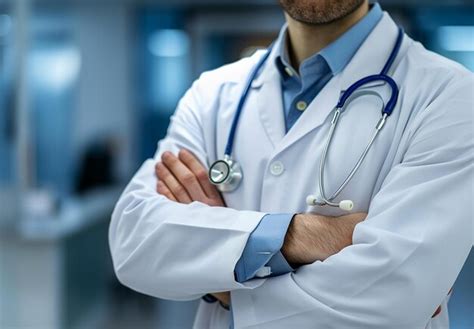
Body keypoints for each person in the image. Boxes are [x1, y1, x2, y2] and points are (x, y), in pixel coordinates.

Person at [109, 1, 473, 328]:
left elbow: (396, 297)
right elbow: (134, 239)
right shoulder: (211, 95)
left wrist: (221, 278)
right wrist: (299, 236)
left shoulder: (450, 97)